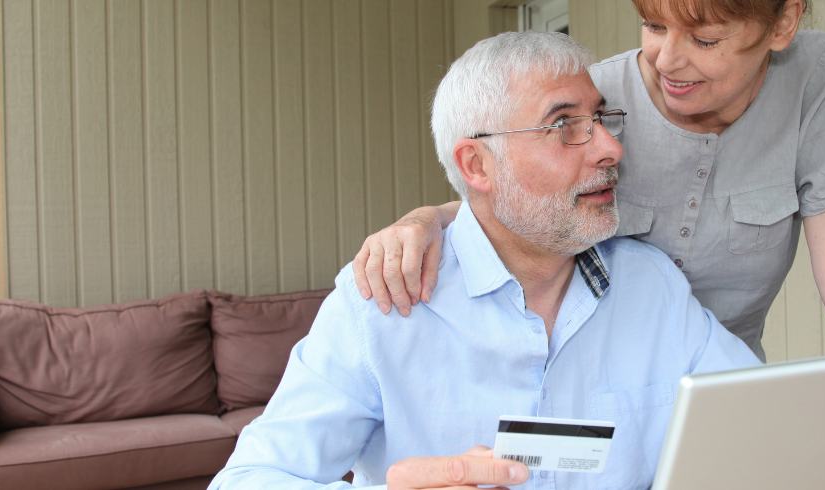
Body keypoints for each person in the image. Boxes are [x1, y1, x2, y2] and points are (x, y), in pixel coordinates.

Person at [208, 32, 760, 490]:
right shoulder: (381, 304)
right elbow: (248, 479)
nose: (609, 148)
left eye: (600, 118)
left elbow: (765, 427)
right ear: (477, 165)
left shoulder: (652, 286)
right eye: (563, 126)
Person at [352, 0, 825, 362]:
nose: (667, 60)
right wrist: (425, 219)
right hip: (597, 384)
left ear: (783, 23)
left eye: (705, 40)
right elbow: (517, 200)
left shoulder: (820, 80)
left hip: (723, 381)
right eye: (653, 25)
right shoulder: (594, 101)